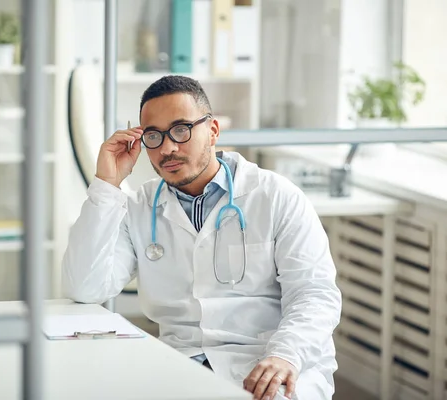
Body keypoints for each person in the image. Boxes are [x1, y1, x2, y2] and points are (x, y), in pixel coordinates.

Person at [62, 75, 342, 400]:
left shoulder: (276, 196)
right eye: (154, 135)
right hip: (180, 365)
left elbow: (315, 294)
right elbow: (85, 288)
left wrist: (285, 354)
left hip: (267, 361)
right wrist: (106, 185)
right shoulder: (139, 206)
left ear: (212, 131)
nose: (167, 147)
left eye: (181, 130)